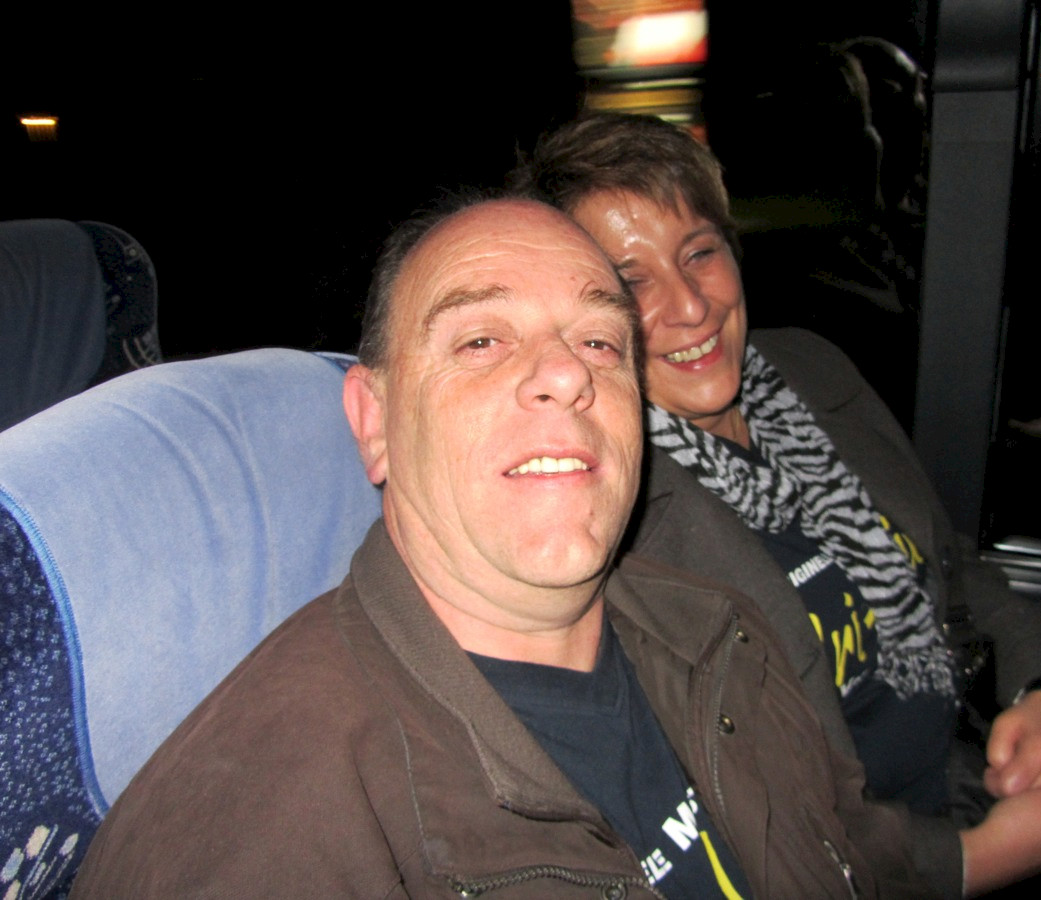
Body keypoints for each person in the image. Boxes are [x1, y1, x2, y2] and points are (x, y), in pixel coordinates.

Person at [70, 196, 963, 898]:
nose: (569, 373)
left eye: (600, 340)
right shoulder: (263, 835)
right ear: (375, 422)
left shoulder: (722, 632)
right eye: (482, 340)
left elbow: (855, 854)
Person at [510, 112, 1041, 897]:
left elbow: (954, 572)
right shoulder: (604, 512)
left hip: (982, 760)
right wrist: (973, 861)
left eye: (700, 252)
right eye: (631, 282)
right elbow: (737, 816)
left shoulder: (811, 368)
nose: (691, 306)